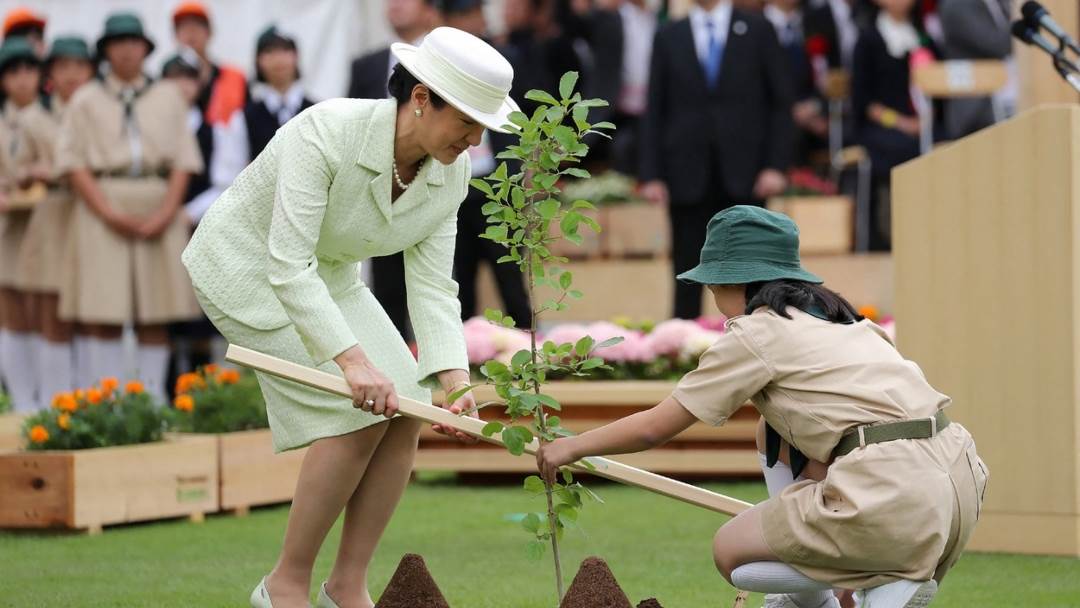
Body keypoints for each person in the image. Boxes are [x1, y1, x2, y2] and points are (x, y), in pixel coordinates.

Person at [182, 27, 516, 608]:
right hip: (246, 267)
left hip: (326, 273)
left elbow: (435, 284)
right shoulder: (325, 131)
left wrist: (453, 381)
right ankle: (283, 585)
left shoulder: (453, 172)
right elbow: (285, 264)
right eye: (466, 122)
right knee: (354, 407)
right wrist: (352, 362)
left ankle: (345, 586)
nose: (475, 138)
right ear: (420, 99)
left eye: (482, 126)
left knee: (406, 404)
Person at [537, 205, 988, 608]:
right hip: (957, 481)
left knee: (731, 551)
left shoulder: (757, 333)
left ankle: (878, 588)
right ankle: (860, 586)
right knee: (768, 431)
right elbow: (832, 449)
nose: (714, 300)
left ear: (734, 279)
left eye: (713, 286)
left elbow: (657, 426)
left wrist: (568, 447)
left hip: (890, 490)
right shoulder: (845, 323)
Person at [56, 13, 203, 403]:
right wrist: (107, 212)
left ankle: (152, 399)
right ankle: (106, 401)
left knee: (156, 307)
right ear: (105, 50)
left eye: (133, 41)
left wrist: (166, 212)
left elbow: (184, 162)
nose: (126, 50)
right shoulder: (85, 99)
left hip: (157, 201)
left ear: (146, 48)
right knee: (104, 307)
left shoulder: (168, 95)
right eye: (117, 42)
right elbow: (73, 163)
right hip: (104, 202)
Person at [639, 0, 794, 320]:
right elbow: (654, 107)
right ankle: (685, 345)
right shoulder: (670, 34)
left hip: (746, 171)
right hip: (686, 170)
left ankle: (759, 340)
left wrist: (776, 165)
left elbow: (780, 102)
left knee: (752, 269)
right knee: (686, 266)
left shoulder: (757, 28)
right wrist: (651, 173)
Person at [348, 0, 442, 342]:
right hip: (382, 188)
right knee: (385, 287)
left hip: (435, 181)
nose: (395, 5)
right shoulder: (366, 65)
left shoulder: (446, 60)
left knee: (438, 281)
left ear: (430, 10)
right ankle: (397, 362)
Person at [439, 0, 532, 328]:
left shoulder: (506, 62)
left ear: (481, 16)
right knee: (458, 279)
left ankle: (525, 347)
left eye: (469, 14)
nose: (463, 22)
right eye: (455, 15)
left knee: (510, 275)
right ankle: (465, 356)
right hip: (454, 184)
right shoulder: (441, 66)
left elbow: (524, 119)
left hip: (498, 187)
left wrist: (523, 172)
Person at [11, 37, 94, 402]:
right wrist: (33, 172)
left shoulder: (101, 109)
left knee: (95, 314)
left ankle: (95, 400)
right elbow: (17, 169)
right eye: (62, 67)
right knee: (51, 315)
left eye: (79, 66)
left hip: (90, 213)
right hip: (52, 215)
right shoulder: (33, 117)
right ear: (51, 72)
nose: (71, 74)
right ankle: (51, 404)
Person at [851, 0, 930, 251]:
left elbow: (935, 86)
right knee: (904, 148)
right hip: (880, 125)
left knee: (947, 141)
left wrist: (923, 119)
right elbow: (863, 101)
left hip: (921, 123)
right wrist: (900, 122)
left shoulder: (923, 38)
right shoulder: (868, 40)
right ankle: (888, 232)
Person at [0, 36, 45, 411]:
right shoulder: (4, 121)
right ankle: (20, 401)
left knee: (41, 312)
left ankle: (44, 399)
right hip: (8, 228)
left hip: (43, 227)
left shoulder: (47, 118)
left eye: (29, 70)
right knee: (10, 311)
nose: (22, 79)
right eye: (13, 71)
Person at [938, 0, 1012, 139]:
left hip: (1013, 97)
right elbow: (996, 44)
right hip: (977, 108)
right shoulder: (957, 4)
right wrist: (1024, 23)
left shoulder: (1003, 3)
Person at [172, 2, 247, 131]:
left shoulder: (235, 77)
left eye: (197, 25)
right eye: (184, 27)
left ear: (210, 32)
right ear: (176, 35)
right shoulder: (167, 79)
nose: (191, 33)